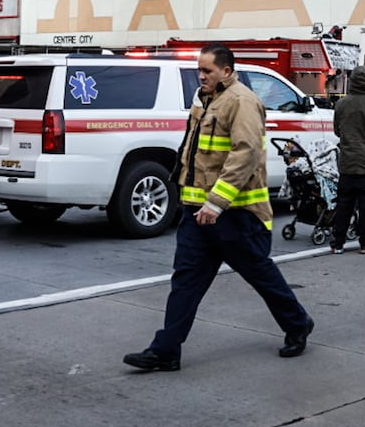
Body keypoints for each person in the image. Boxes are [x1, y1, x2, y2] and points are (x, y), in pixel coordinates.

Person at [124, 44, 314, 372]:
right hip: (197, 213)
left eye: (207, 71)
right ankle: (166, 351)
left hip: (235, 216)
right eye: (199, 70)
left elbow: (246, 154)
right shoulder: (206, 100)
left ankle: (298, 324)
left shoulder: (242, 101)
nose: (201, 76)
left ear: (226, 71)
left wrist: (216, 202)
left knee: (260, 275)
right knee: (185, 281)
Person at [329, 64, 365, 254]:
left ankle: (338, 243)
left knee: (344, 204)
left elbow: (337, 131)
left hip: (347, 163)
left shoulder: (341, 104)